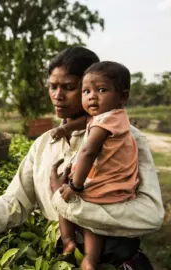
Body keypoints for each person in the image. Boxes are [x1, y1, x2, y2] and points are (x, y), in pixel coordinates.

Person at [0, 47, 164, 270]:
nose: (58, 96)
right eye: (53, 86)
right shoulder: (44, 143)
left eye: (69, 88)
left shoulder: (127, 139)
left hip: (116, 262)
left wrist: (66, 203)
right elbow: (14, 203)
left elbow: (149, 215)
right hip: (64, 261)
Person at [50, 61, 141, 270]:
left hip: (102, 189)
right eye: (86, 91)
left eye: (101, 90)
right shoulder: (116, 118)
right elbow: (86, 121)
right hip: (119, 189)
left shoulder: (103, 123)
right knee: (93, 224)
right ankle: (90, 258)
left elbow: (88, 152)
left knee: (61, 193)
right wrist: (66, 129)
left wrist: (74, 186)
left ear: (122, 96)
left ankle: (67, 240)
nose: (92, 96)